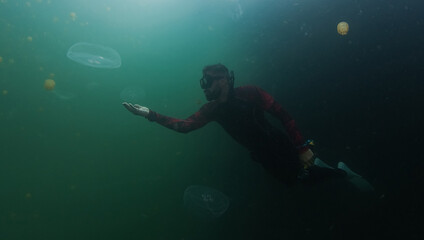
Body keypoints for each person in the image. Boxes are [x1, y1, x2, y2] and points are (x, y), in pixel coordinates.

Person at [123, 64, 373, 190]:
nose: (204, 87)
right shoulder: (212, 110)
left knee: (302, 178)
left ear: (223, 80)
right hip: (262, 155)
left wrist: (301, 146)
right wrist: (150, 114)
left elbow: (283, 114)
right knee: (295, 184)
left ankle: (343, 173)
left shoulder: (249, 93)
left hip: (278, 145)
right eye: (204, 82)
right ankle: (327, 169)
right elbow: (184, 127)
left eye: (208, 81)